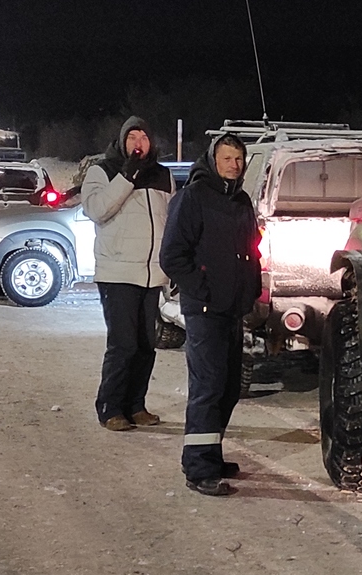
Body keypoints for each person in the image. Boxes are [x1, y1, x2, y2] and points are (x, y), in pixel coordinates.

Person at [158, 134, 261, 497]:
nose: (234, 164)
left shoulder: (241, 201)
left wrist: (252, 287)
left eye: (239, 159)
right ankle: (198, 468)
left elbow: (251, 249)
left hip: (233, 308)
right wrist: (200, 288)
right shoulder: (193, 197)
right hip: (204, 309)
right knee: (208, 385)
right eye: (227, 158)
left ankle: (211, 452)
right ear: (212, 161)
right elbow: (172, 255)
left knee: (229, 386)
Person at [83, 116, 174, 432]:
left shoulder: (163, 176)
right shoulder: (103, 171)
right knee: (123, 345)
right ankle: (110, 407)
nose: (138, 143)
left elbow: (170, 222)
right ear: (122, 142)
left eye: (144, 138)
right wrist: (126, 177)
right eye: (132, 137)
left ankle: (136, 406)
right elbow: (96, 210)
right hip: (117, 272)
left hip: (151, 274)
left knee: (146, 346)